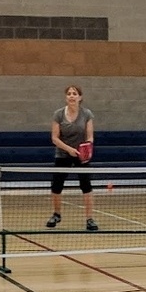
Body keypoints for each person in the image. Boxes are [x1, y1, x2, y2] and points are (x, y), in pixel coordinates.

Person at [46, 84, 98, 231]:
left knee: (86, 186)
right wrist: (69, 150)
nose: (71, 96)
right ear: (66, 97)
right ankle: (56, 214)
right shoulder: (58, 114)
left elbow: (90, 136)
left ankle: (89, 219)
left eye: (74, 93)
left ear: (79, 97)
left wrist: (86, 149)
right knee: (57, 185)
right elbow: (54, 138)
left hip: (81, 155)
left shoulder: (87, 114)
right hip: (63, 153)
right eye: (69, 93)